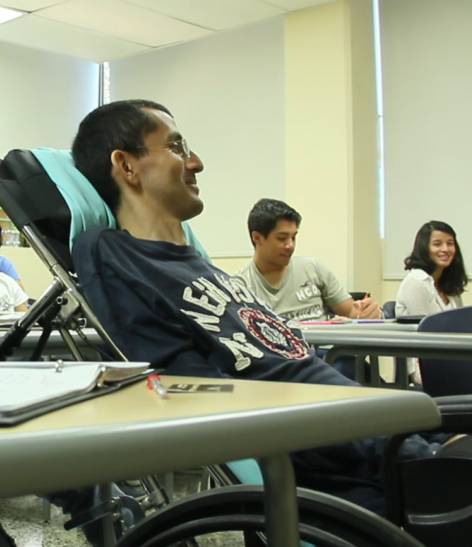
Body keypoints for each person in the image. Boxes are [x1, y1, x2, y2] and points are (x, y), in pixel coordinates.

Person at [68, 99, 464, 514]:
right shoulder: (112, 253)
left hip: (387, 432)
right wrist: (416, 450)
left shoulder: (201, 266)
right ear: (126, 165)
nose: (196, 162)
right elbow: (196, 391)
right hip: (359, 462)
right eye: (176, 146)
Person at [233, 199, 382, 322]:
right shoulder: (240, 286)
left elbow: (350, 311)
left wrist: (366, 312)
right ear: (257, 238)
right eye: (282, 238)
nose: (290, 245)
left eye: (293, 237)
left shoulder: (313, 268)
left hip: (328, 347)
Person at [396, 220, 466, 317]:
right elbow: (428, 325)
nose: (445, 249)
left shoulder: (449, 282)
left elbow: (462, 321)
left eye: (450, 243)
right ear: (424, 248)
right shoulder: (416, 283)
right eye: (437, 244)